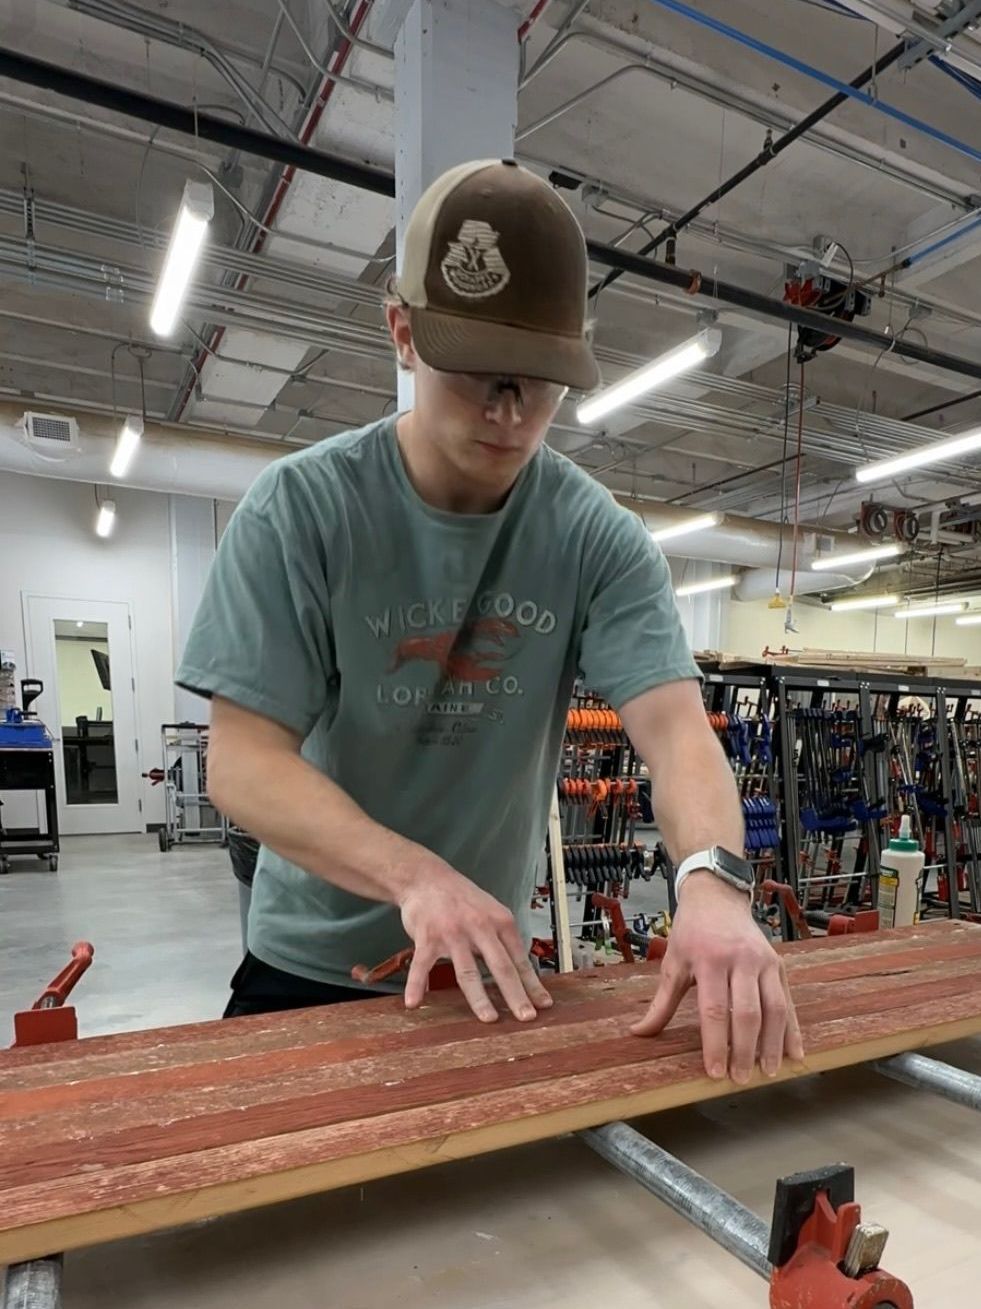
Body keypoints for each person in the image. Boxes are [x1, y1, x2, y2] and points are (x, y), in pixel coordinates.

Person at [177, 159, 803, 1084]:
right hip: (309, 960)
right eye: (475, 372)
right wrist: (415, 877)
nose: (508, 412)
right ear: (402, 334)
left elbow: (676, 736)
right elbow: (242, 762)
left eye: (539, 380)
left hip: (486, 970)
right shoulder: (301, 511)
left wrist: (711, 881)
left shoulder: (596, 537)